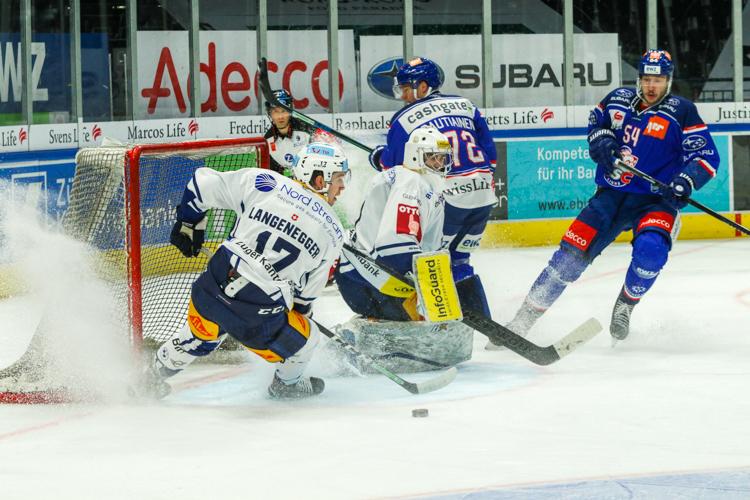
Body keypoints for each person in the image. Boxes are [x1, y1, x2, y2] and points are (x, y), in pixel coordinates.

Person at [497, 49, 719, 345]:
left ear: (668, 81)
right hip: (610, 197)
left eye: (658, 80)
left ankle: (626, 304)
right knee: (568, 259)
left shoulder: (682, 111)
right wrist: (602, 142)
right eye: (647, 79)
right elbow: (597, 125)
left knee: (651, 250)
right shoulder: (617, 100)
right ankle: (522, 320)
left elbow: (705, 156)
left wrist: (685, 181)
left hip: (656, 201)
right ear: (639, 78)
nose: (652, 86)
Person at [137, 142, 351, 399]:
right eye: (339, 179)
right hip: (258, 320)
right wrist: (295, 319)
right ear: (319, 179)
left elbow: (200, 183)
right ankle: (286, 384)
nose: (342, 187)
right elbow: (304, 301)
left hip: (212, 287)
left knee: (199, 336)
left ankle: (150, 377)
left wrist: (188, 222)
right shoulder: (333, 231)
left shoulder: (265, 182)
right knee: (309, 338)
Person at [368, 57, 497, 320]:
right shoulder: (467, 106)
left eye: (407, 89)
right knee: (460, 260)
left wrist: (378, 156)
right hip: (484, 197)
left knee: (432, 263)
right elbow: (491, 156)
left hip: (449, 200)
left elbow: (394, 166)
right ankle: (485, 322)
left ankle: (440, 323)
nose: (403, 96)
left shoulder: (404, 118)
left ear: (423, 86)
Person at [336, 125, 451, 321]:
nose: (439, 164)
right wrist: (428, 288)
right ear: (415, 155)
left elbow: (430, 250)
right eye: (432, 157)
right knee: (415, 330)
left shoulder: (426, 187)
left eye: (442, 158)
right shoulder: (410, 181)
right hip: (364, 275)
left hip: (358, 271)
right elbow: (395, 247)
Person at [263, 89, 314, 176]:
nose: (280, 116)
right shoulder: (268, 141)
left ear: (290, 112)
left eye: (284, 110)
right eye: (275, 111)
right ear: (270, 114)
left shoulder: (307, 130)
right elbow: (275, 176)